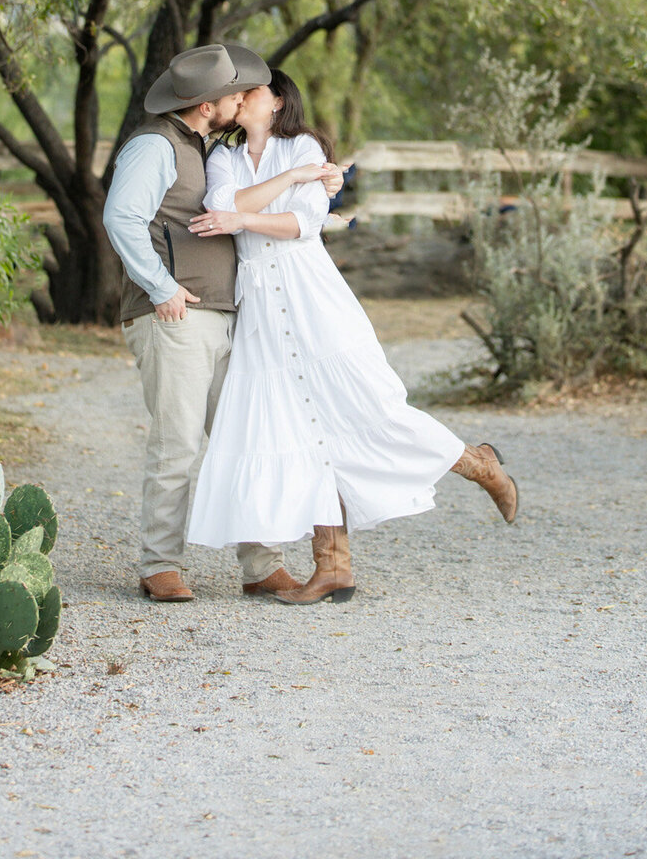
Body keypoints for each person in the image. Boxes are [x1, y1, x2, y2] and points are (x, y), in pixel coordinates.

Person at [184, 70, 518, 603]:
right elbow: (222, 206)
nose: (241, 96)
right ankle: (333, 567)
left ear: (276, 101)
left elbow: (303, 224)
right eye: (237, 91)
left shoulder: (305, 145)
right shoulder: (222, 156)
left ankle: (479, 464)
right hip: (262, 310)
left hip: (311, 294)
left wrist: (246, 213)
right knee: (300, 431)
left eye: (253, 89)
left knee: (371, 409)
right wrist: (290, 184)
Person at [102, 42, 344, 603]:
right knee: (178, 443)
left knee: (247, 438)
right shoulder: (153, 146)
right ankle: (159, 563)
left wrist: (320, 185)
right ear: (208, 104)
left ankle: (261, 565)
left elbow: (253, 206)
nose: (242, 99)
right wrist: (162, 289)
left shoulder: (210, 149)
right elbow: (122, 218)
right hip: (177, 316)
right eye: (234, 93)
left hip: (228, 315)